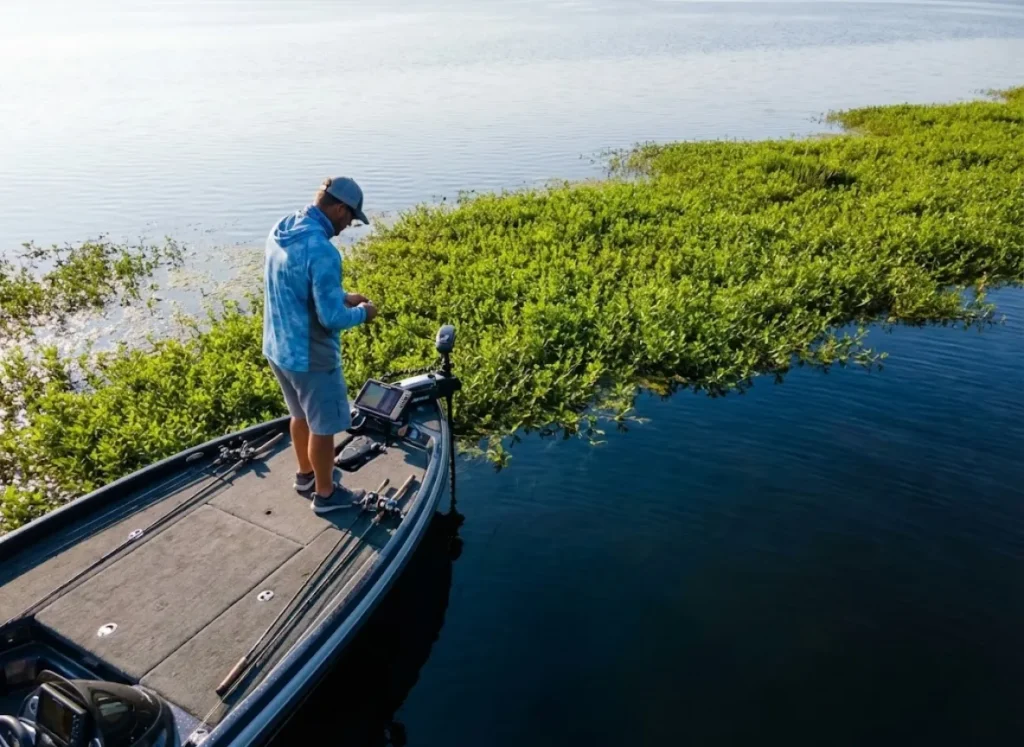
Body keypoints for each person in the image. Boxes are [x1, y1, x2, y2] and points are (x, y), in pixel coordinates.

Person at [263, 176, 378, 514]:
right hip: (311, 355)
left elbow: (298, 281)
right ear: (339, 207)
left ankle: (306, 475)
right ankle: (327, 496)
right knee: (324, 427)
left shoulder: (283, 227)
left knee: (299, 415)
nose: (348, 225)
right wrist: (362, 313)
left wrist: (343, 295)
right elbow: (331, 319)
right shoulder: (323, 249)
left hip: (278, 347)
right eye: (350, 217)